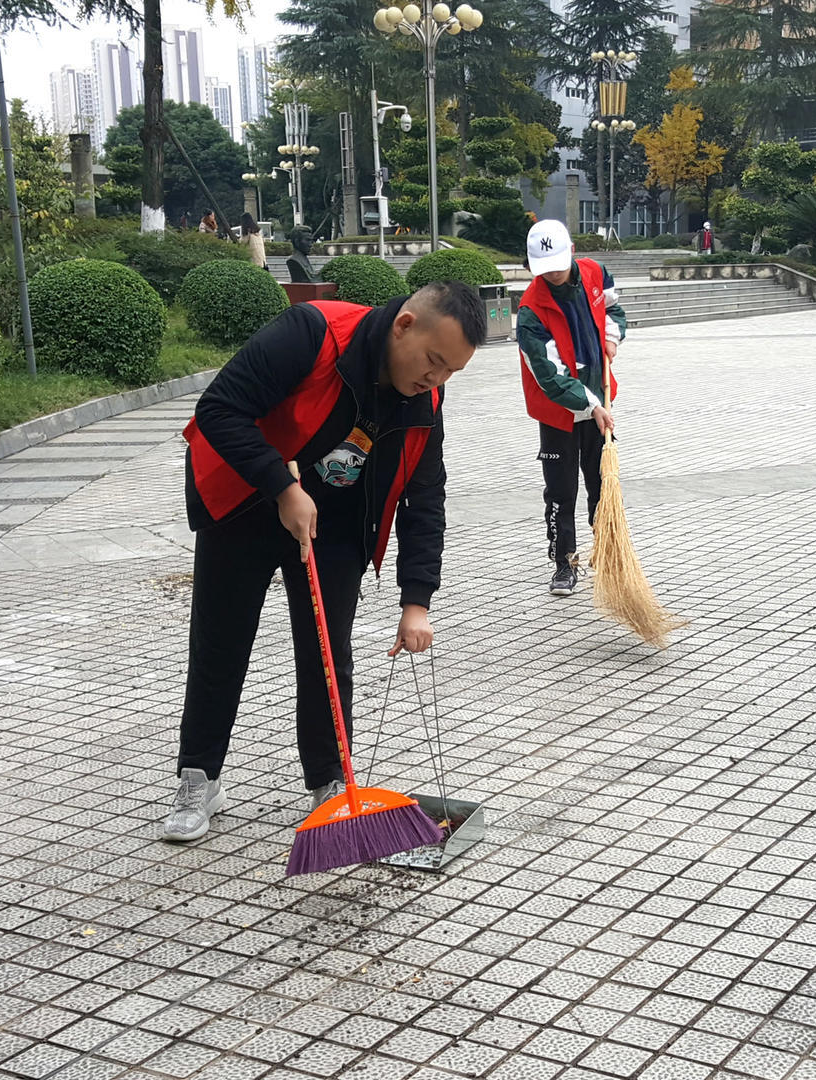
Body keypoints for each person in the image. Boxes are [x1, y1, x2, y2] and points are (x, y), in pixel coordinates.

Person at [160, 281, 489, 843]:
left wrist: (417, 602)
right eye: (434, 362)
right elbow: (219, 410)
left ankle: (328, 783)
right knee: (221, 641)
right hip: (245, 499)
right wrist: (281, 487)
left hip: (335, 524)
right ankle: (200, 776)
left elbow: (424, 497)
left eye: (451, 372)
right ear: (404, 325)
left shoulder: (423, 399)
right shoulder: (312, 333)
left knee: (326, 650)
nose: (437, 380)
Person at [515, 218, 629, 596]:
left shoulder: (596, 273)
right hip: (559, 413)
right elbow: (549, 375)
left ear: (573, 254)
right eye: (544, 270)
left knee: (603, 484)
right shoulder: (531, 311)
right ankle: (564, 562)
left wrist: (612, 338)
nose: (554, 275)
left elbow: (614, 310)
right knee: (561, 492)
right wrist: (590, 403)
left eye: (559, 267)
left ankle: (610, 555)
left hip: (600, 398)